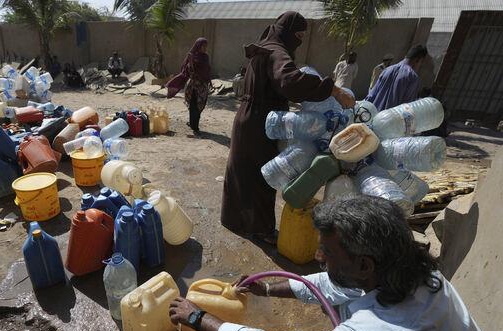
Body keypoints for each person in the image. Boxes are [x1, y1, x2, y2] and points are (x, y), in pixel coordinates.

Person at [170, 195, 484, 331]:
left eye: (328, 251)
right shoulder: (413, 270)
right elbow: (333, 284)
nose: (319, 257)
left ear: (364, 264)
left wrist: (198, 318)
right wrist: (265, 287)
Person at [221, 11, 354, 244]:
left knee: (242, 170)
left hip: (246, 117)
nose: (300, 41)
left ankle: (234, 220)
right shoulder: (277, 52)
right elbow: (290, 81)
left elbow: (273, 85)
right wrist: (333, 90)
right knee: (265, 175)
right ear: (287, 32)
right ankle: (261, 230)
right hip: (264, 121)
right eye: (298, 35)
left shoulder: (263, 47)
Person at [166, 37, 212, 135]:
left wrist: (209, 80)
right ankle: (194, 126)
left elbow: (207, 70)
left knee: (200, 105)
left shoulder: (205, 57)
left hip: (202, 86)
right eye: (203, 46)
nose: (205, 48)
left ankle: (194, 124)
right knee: (193, 106)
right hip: (193, 86)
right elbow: (188, 71)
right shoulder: (192, 56)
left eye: (206, 46)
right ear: (198, 46)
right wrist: (191, 62)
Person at [365, 44, 428, 111]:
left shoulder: (387, 70)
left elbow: (370, 96)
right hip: (392, 120)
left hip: (374, 117)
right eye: (421, 63)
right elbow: (407, 107)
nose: (419, 66)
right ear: (417, 60)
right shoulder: (412, 77)